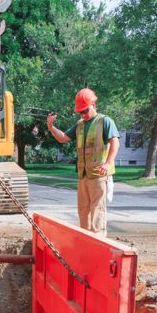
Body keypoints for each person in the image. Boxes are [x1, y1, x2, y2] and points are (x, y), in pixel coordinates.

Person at [46, 88, 120, 236]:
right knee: (83, 209)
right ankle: (85, 239)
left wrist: (107, 163)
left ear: (93, 104)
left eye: (85, 111)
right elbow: (62, 138)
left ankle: (98, 240)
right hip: (83, 175)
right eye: (81, 112)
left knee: (97, 208)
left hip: (99, 174)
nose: (83, 115)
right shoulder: (80, 124)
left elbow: (115, 143)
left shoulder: (105, 121)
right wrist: (50, 126)